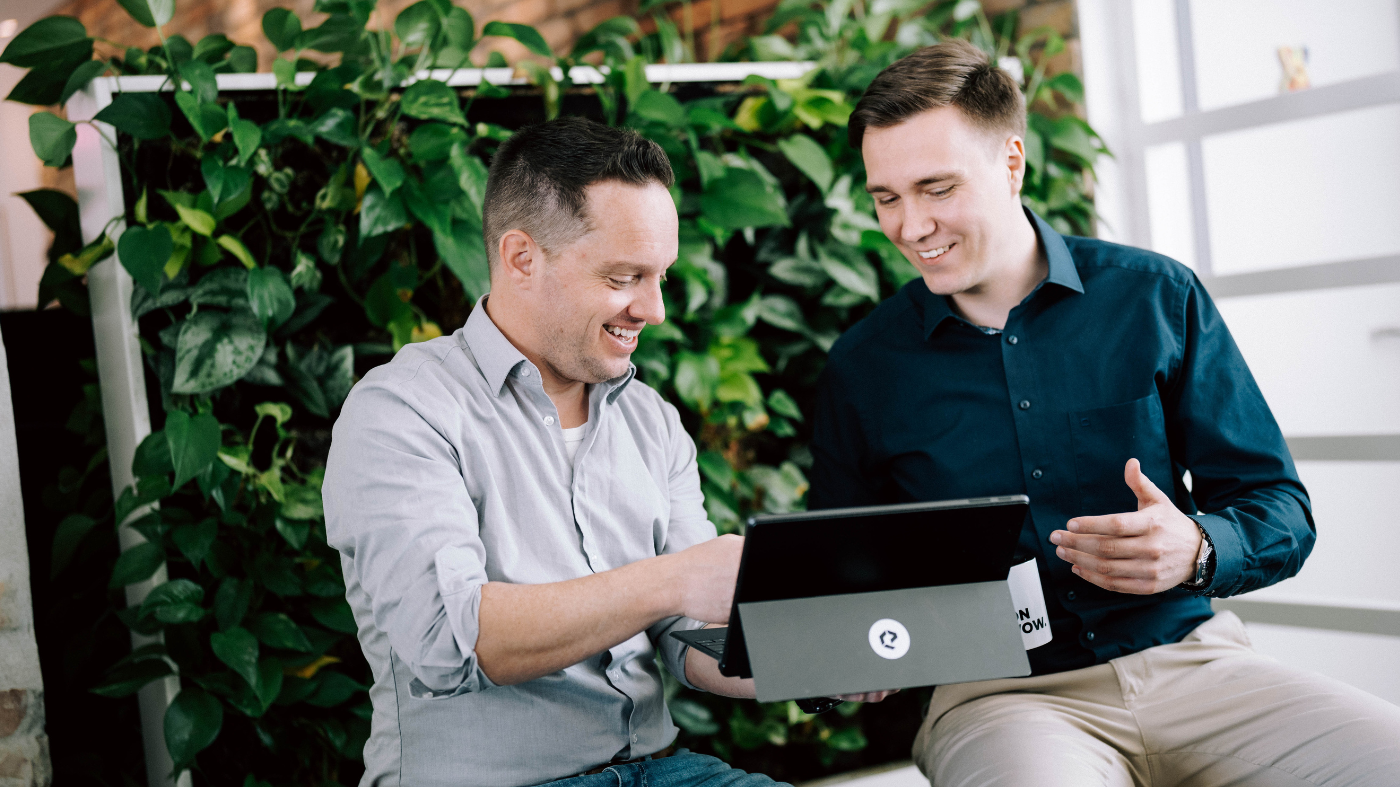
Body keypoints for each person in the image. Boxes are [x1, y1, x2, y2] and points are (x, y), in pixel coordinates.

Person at [810, 40, 1400, 787]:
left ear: (1012, 162)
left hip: (1193, 664)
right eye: (885, 197)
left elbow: (1280, 508)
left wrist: (1197, 546)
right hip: (1001, 697)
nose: (909, 225)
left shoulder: (1155, 297)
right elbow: (839, 578)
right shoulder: (864, 367)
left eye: (936, 188)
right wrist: (856, 646)